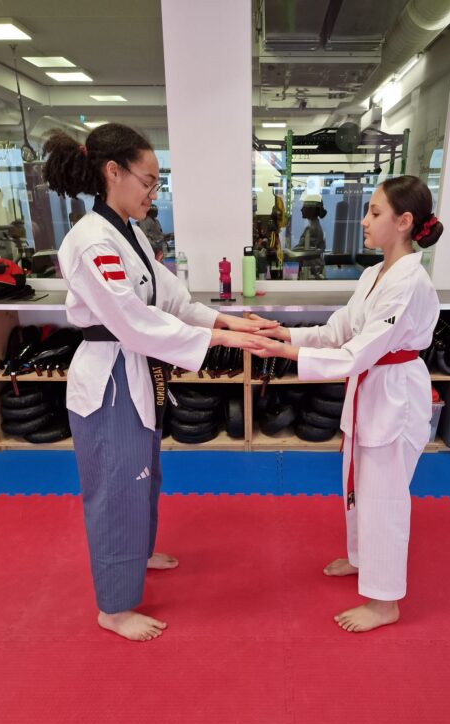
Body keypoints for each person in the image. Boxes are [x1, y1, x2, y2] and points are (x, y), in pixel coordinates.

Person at [43, 123, 276, 642]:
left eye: (156, 182)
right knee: (116, 487)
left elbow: (172, 300)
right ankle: (113, 608)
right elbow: (133, 320)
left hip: (137, 369)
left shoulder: (131, 233)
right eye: (148, 181)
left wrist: (233, 322)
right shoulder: (91, 241)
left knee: (144, 472)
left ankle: (138, 555)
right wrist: (223, 340)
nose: (154, 192)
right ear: (113, 172)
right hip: (110, 377)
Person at [246, 175, 442, 633]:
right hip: (371, 389)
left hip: (395, 394)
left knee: (384, 499)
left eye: (375, 212)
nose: (365, 221)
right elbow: (340, 330)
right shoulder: (375, 274)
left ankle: (385, 602)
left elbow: (358, 352)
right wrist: (284, 332)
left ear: (404, 221)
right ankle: (361, 560)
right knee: (358, 486)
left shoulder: (409, 282)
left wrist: (285, 354)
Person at [285, 193, 327, 279]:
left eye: (304, 207)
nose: (301, 209)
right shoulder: (314, 226)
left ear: (311, 210)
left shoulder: (311, 228)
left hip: (310, 269)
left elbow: (303, 251)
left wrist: (287, 252)